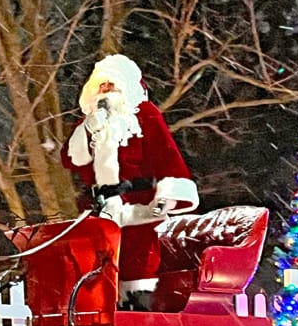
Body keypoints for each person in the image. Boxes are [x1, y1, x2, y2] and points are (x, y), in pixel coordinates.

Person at [61, 54, 198, 310]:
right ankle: (104, 311)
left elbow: (166, 156)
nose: (106, 91)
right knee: (99, 262)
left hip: (138, 204)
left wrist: (165, 200)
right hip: (101, 207)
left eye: (111, 85)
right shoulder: (90, 123)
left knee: (138, 261)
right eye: (101, 85)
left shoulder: (144, 115)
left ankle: (140, 314)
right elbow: (71, 159)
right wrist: (87, 129)